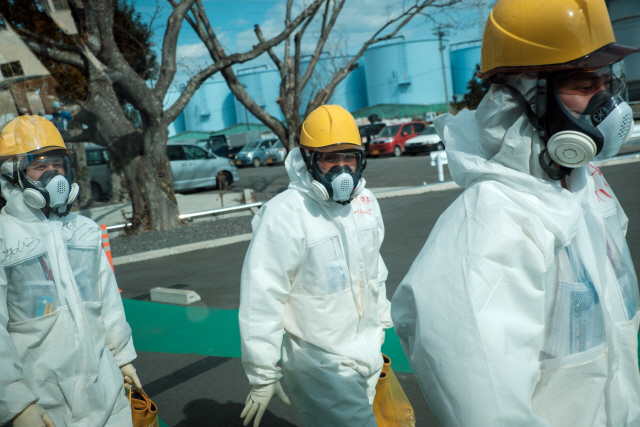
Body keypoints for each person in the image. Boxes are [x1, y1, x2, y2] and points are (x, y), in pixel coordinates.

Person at [391, 0, 640, 426]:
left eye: (605, 82)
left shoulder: (585, 187)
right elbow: (487, 405)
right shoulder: (489, 224)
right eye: (583, 85)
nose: (606, 103)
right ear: (527, 97)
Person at [239, 105, 392, 427]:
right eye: (329, 158)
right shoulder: (285, 213)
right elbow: (261, 296)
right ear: (308, 161)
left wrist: (382, 318)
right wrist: (263, 373)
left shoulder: (366, 203)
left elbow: (374, 266)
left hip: (368, 347)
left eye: (349, 157)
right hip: (319, 359)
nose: (342, 169)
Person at [0, 116, 141, 427]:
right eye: (40, 166)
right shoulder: (3, 237)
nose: (54, 175)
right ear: (12, 174)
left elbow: (107, 303)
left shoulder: (83, 231)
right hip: (45, 406)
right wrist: (16, 404)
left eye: (59, 164)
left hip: (107, 395)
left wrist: (123, 357)